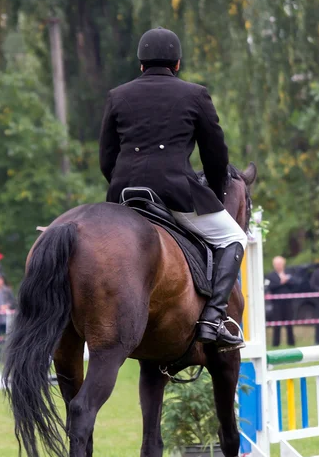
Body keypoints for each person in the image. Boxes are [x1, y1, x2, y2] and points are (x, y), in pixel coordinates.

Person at [99, 27, 247, 351]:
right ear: (177, 63)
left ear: (140, 64)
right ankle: (214, 319)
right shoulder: (195, 94)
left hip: (124, 193)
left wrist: (123, 185)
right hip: (175, 192)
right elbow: (215, 155)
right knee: (233, 236)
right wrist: (218, 191)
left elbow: (106, 157)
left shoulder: (117, 95)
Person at [266, 256, 296, 347]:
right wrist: (281, 283)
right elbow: (270, 287)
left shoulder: (289, 273)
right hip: (276, 304)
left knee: (289, 324)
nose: (278, 266)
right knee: (277, 325)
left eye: (280, 264)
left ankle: (291, 343)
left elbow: (295, 284)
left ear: (284, 264)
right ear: (274, 265)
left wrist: (287, 281)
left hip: (288, 303)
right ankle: (276, 344)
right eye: (276, 264)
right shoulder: (271, 275)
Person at [0, 271, 16, 338]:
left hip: (7, 319)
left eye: (1, 279)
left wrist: (7, 306)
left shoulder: (7, 290)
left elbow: (14, 302)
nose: (0, 281)